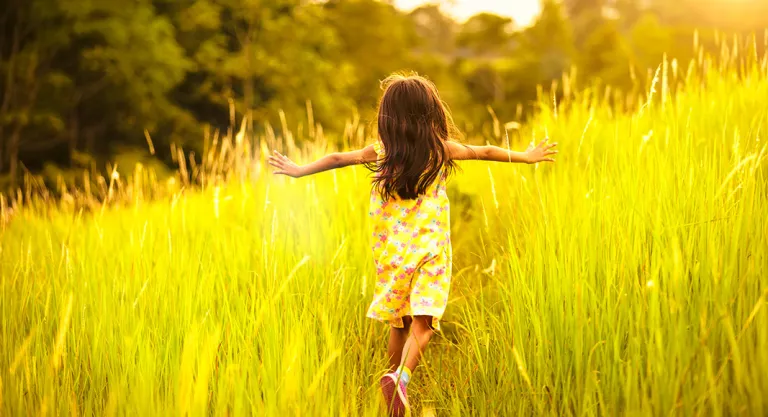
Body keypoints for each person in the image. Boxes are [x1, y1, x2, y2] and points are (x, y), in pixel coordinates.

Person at [268, 74, 557, 417]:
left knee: (398, 323)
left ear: (387, 117)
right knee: (424, 323)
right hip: (430, 253)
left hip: (391, 254)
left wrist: (299, 170)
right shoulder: (440, 150)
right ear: (430, 113)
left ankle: (392, 392)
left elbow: (335, 158)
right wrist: (527, 156)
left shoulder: (381, 152)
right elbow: (486, 151)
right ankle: (400, 380)